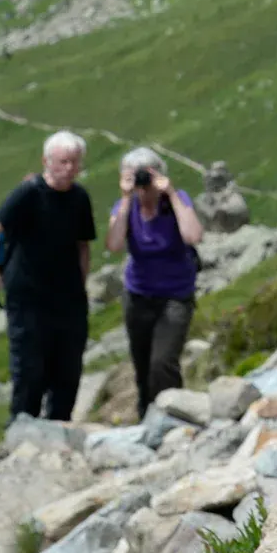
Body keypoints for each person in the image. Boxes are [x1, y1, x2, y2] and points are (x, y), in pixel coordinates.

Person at [0, 131, 95, 422]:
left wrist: (81, 284)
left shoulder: (80, 197)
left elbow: (83, 245)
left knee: (68, 368)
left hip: (67, 297)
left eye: (75, 163)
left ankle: (59, 427)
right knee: (30, 369)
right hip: (28, 296)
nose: (69, 168)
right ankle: (21, 429)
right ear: (47, 161)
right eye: (63, 162)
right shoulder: (29, 193)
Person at [107, 147, 204, 419]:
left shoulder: (177, 200)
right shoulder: (125, 207)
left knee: (163, 362)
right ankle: (146, 416)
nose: (144, 186)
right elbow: (114, 243)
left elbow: (193, 235)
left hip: (175, 295)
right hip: (138, 296)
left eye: (147, 176)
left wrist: (170, 193)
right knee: (141, 365)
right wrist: (126, 199)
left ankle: (173, 415)